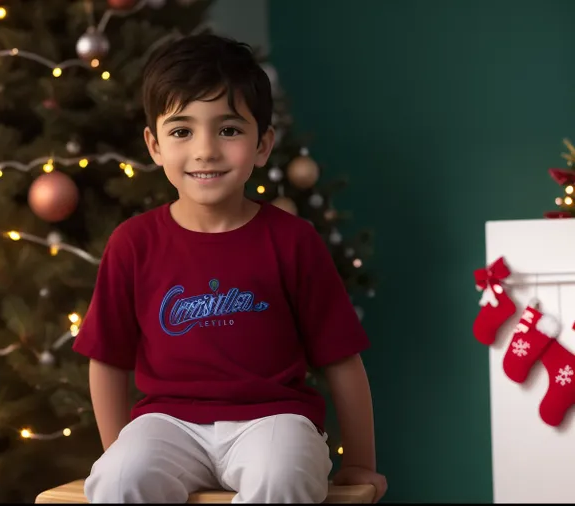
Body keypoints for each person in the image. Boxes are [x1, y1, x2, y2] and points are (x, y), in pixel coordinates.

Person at [72, 33, 387, 504]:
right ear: (154, 145)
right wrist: (121, 452)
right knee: (118, 479)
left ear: (262, 145)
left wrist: (361, 462)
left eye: (229, 129)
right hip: (166, 424)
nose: (205, 150)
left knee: (282, 476)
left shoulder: (293, 241)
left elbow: (341, 359)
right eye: (182, 131)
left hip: (274, 420)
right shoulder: (133, 243)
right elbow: (108, 360)